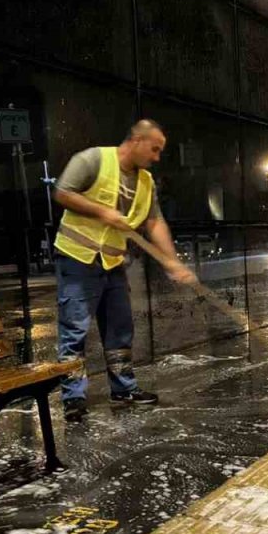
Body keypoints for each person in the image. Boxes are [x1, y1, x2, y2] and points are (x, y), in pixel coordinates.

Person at [51, 120, 197, 421]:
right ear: (136, 140)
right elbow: (63, 192)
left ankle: (123, 389)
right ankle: (74, 399)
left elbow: (155, 223)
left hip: (112, 263)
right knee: (75, 330)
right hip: (78, 258)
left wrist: (171, 260)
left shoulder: (146, 182)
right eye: (154, 149)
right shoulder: (93, 159)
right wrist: (102, 211)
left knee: (120, 328)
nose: (157, 157)